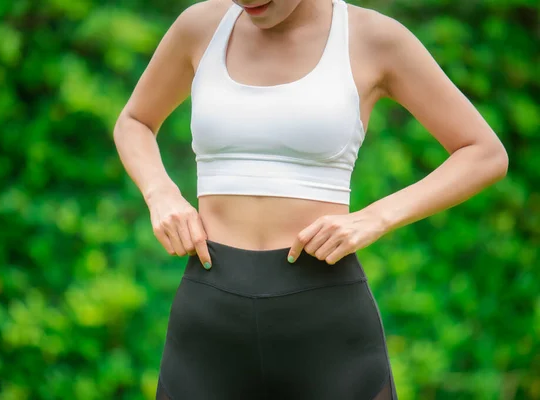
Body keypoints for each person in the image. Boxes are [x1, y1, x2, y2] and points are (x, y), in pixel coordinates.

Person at [113, 0, 509, 398]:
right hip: (208, 314)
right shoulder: (200, 27)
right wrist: (160, 192)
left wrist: (375, 217)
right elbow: (135, 121)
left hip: (328, 322)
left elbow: (483, 152)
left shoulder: (374, 38)